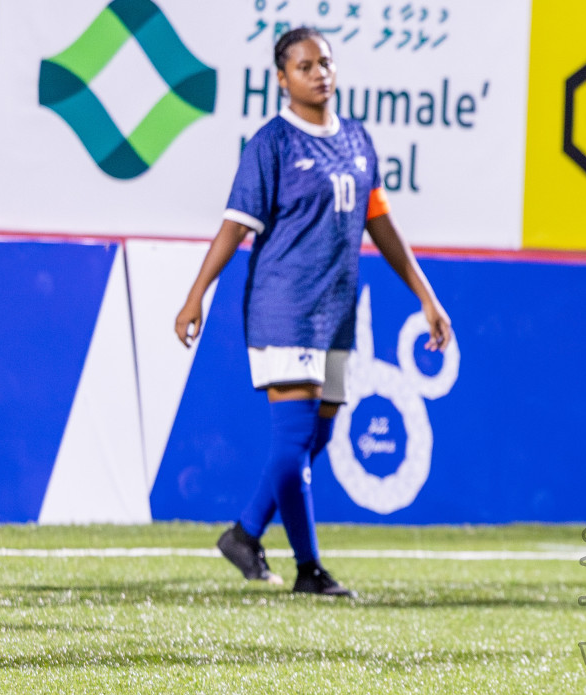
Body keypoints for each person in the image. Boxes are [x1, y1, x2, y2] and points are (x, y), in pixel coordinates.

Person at [175, 27, 451, 596]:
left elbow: (381, 225)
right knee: (291, 439)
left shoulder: (356, 139)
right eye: (304, 66)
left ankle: (245, 534)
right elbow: (235, 226)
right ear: (282, 79)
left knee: (313, 442)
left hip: (336, 312)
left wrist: (427, 296)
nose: (318, 72)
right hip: (285, 308)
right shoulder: (272, 143)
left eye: (325, 62)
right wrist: (197, 291)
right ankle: (310, 570)